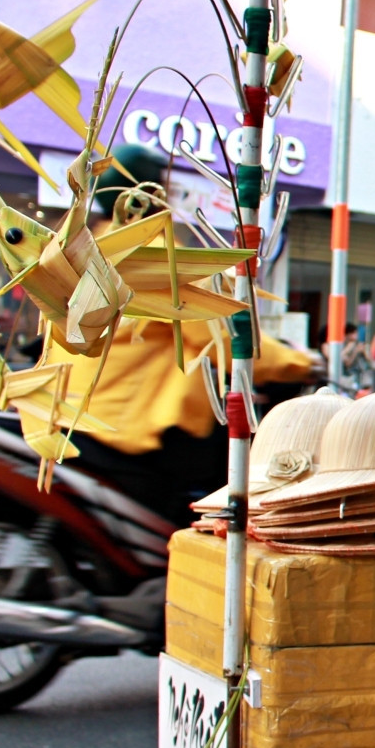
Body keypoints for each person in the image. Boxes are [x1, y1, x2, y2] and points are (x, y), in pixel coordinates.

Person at [56, 144, 316, 524]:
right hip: (122, 429)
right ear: (151, 193)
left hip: (73, 415)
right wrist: (301, 363)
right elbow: (223, 336)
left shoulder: (84, 248)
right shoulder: (152, 256)